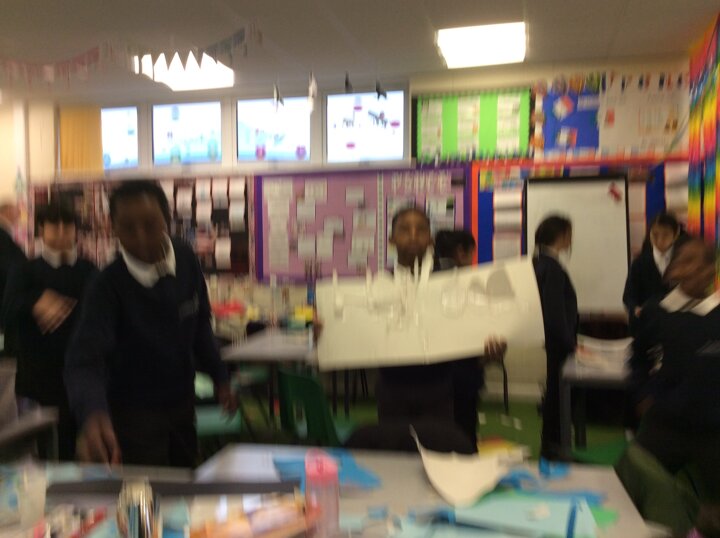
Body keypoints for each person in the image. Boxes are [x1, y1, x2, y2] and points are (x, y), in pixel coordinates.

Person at [65, 180, 236, 467]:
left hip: (182, 403)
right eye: (128, 229)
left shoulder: (186, 260)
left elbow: (199, 326)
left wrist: (220, 377)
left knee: (185, 477)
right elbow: (84, 360)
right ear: (113, 229)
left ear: (166, 219)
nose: (141, 238)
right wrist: (92, 411)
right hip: (133, 415)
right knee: (148, 486)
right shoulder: (106, 286)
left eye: (150, 224)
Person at [375, 209, 506, 430]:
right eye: (405, 229)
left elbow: (476, 331)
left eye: (421, 230)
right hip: (394, 387)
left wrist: (489, 351)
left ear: (431, 240)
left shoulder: (457, 280)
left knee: (455, 446)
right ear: (391, 239)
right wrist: (328, 334)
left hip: (451, 387)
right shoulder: (379, 285)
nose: (413, 235)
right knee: (396, 447)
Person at [622, 238, 720, 529]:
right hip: (666, 422)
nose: (688, 271)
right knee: (629, 484)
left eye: (696, 264)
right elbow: (638, 359)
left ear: (711, 270)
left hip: (713, 428)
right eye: (683, 263)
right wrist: (643, 395)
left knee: (713, 513)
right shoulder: (658, 310)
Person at [1, 203, 97, 459]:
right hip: (38, 377)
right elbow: (7, 311)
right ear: (41, 229)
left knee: (79, 446)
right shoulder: (25, 269)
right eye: (54, 224)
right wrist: (34, 302)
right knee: (44, 448)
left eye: (68, 225)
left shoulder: (89, 270)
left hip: (78, 374)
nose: (62, 231)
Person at [434, 229, 500, 445]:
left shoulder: (422, 281)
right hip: (463, 374)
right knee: (464, 434)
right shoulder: (472, 285)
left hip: (428, 379)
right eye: (472, 254)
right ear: (461, 252)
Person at [532, 215, 577, 461]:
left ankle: (552, 445)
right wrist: (570, 343)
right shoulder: (552, 268)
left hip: (552, 340)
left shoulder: (540, 263)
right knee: (557, 397)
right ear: (561, 236)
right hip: (559, 342)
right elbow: (555, 314)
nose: (571, 240)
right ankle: (553, 447)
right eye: (569, 234)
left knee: (555, 393)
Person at [623, 212, 682, 334]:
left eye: (665, 235)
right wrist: (635, 308)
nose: (659, 240)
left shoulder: (682, 261)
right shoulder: (639, 263)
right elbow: (628, 295)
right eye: (655, 234)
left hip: (675, 326)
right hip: (646, 325)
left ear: (675, 235)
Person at [0, 201, 27, 358]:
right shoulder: (3, 235)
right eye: (16, 212)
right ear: (7, 212)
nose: (19, 216)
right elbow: (9, 265)